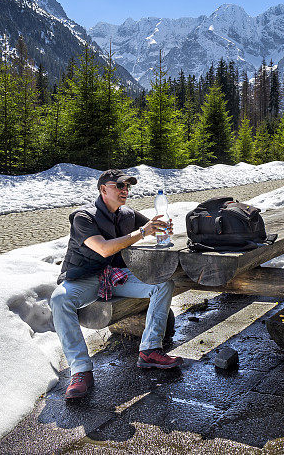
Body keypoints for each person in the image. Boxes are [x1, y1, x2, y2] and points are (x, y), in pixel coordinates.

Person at [50, 169, 182, 401]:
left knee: (163, 285)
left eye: (127, 187)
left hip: (115, 275)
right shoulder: (84, 217)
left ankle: (150, 350)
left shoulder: (127, 214)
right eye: (119, 186)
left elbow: (153, 226)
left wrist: (163, 229)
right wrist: (143, 232)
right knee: (60, 298)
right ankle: (81, 370)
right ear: (103, 190)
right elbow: (104, 248)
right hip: (85, 278)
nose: (125, 191)